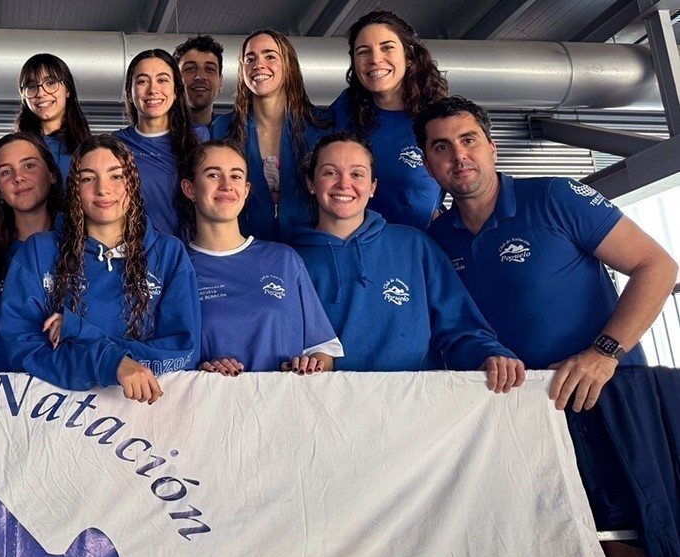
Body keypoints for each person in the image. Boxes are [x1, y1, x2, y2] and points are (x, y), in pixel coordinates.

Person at [416, 96, 680, 557]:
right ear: (427, 162)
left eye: (468, 140)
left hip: (605, 404)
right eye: (441, 147)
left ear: (492, 145)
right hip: (517, 420)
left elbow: (657, 266)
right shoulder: (435, 240)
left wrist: (604, 353)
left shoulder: (556, 196)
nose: (458, 156)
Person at [289, 132, 524, 390]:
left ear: (372, 187)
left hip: (412, 409)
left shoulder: (416, 246)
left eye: (357, 174)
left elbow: (460, 327)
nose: (344, 184)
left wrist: (489, 356)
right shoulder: (287, 260)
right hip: (326, 409)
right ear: (311, 183)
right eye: (330, 173)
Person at [0, 134, 201, 403]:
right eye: (87, 178)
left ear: (132, 183)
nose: (102, 189)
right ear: (74, 189)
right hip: (57, 418)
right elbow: (23, 348)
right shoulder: (38, 252)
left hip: (148, 419)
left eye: (116, 176)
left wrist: (81, 332)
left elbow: (183, 353)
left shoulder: (168, 253)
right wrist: (111, 363)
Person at [182, 140, 341, 374]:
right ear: (190, 189)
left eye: (236, 176)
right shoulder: (177, 267)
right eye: (213, 175)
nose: (227, 185)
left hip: (282, 407)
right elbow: (168, 362)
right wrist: (201, 371)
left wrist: (310, 366)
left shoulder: (284, 260)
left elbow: (322, 350)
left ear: (246, 191)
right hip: (212, 406)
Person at [330, 10, 447, 231]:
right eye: (363, 51)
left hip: (420, 249)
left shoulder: (438, 118)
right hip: (358, 247)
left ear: (409, 56)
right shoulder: (345, 109)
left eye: (387, 47)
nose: (375, 59)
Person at [213, 29, 332, 242]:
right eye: (250, 59)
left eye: (270, 56)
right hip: (247, 249)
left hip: (312, 246)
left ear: (288, 65)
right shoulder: (223, 129)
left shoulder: (322, 125)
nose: (259, 64)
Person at [0, 133, 63, 373]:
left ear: (51, 174)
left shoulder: (84, 247)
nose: (19, 178)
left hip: (66, 390)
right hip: (0, 390)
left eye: (29, 165)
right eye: (5, 172)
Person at [113, 49, 203, 240]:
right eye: (142, 81)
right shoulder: (115, 145)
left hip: (191, 255)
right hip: (136, 257)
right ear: (130, 93)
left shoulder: (200, 137)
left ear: (176, 90)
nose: (153, 89)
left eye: (162, 80)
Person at [15, 53, 92, 180]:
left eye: (50, 83)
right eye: (31, 86)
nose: (40, 93)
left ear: (68, 89)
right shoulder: (14, 149)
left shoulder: (89, 148)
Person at [173, 35, 225, 138]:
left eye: (209, 69)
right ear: (175, 80)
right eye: (190, 69)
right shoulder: (157, 134)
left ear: (220, 82)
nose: (200, 76)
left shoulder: (235, 132)